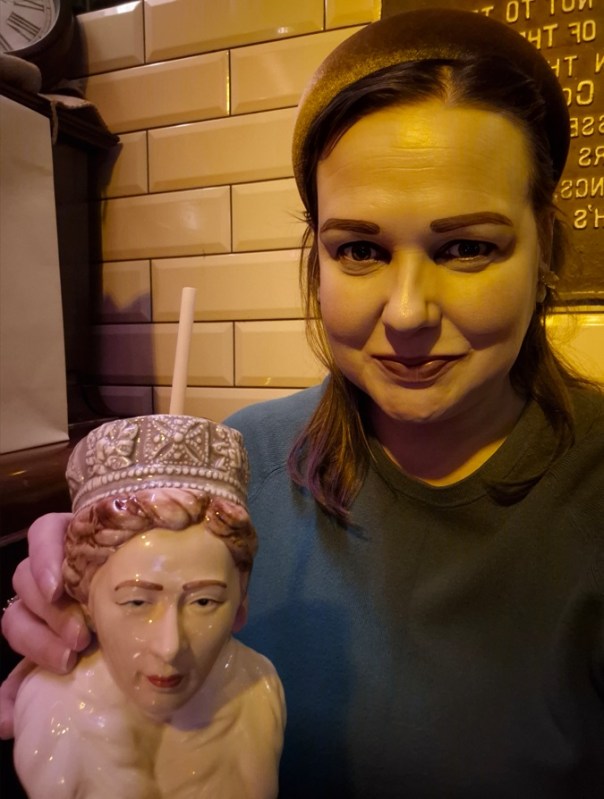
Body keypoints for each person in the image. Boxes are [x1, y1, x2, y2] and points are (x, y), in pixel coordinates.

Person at [2, 7, 604, 797]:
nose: (409, 313)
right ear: (316, 258)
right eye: (359, 249)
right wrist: (80, 618)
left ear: (545, 247)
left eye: (467, 247)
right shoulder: (240, 467)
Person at [12, 415, 284, 799]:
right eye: (136, 601)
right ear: (85, 601)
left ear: (241, 602)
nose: (170, 646)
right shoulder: (54, 711)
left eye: (204, 601)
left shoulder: (257, 691)